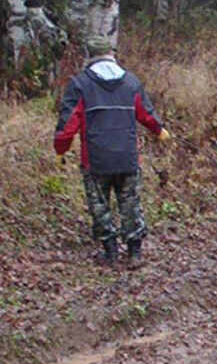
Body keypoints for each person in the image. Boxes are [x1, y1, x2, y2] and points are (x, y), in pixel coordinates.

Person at [54, 36, 170, 265]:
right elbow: (145, 113)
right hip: (127, 157)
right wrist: (160, 131)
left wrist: (60, 150)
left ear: (90, 55)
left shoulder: (79, 85)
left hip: (95, 160)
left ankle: (110, 252)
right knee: (130, 204)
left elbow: (68, 126)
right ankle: (135, 252)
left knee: (100, 207)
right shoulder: (131, 83)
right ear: (111, 53)